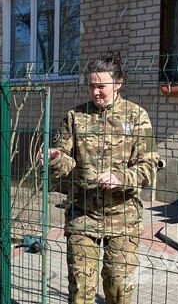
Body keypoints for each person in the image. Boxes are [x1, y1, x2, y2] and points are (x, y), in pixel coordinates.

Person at [41, 58, 163, 304]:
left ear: (118, 83)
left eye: (101, 86)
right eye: (91, 86)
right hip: (83, 214)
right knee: (80, 289)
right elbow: (66, 162)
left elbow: (149, 166)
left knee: (118, 287)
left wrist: (120, 178)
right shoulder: (75, 117)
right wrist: (54, 159)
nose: (95, 92)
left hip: (123, 217)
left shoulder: (137, 116)